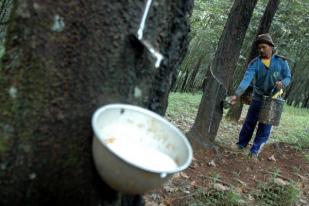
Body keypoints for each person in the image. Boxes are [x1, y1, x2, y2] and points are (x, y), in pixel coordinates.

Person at [230, 33, 292, 158]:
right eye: (259, 48)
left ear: (271, 46)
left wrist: (283, 83)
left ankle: (255, 150)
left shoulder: (281, 61)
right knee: (249, 122)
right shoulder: (255, 63)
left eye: (263, 47)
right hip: (258, 97)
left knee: (265, 125)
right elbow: (246, 80)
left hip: (272, 99)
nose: (261, 50)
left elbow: (288, 77)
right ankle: (241, 144)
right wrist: (237, 94)